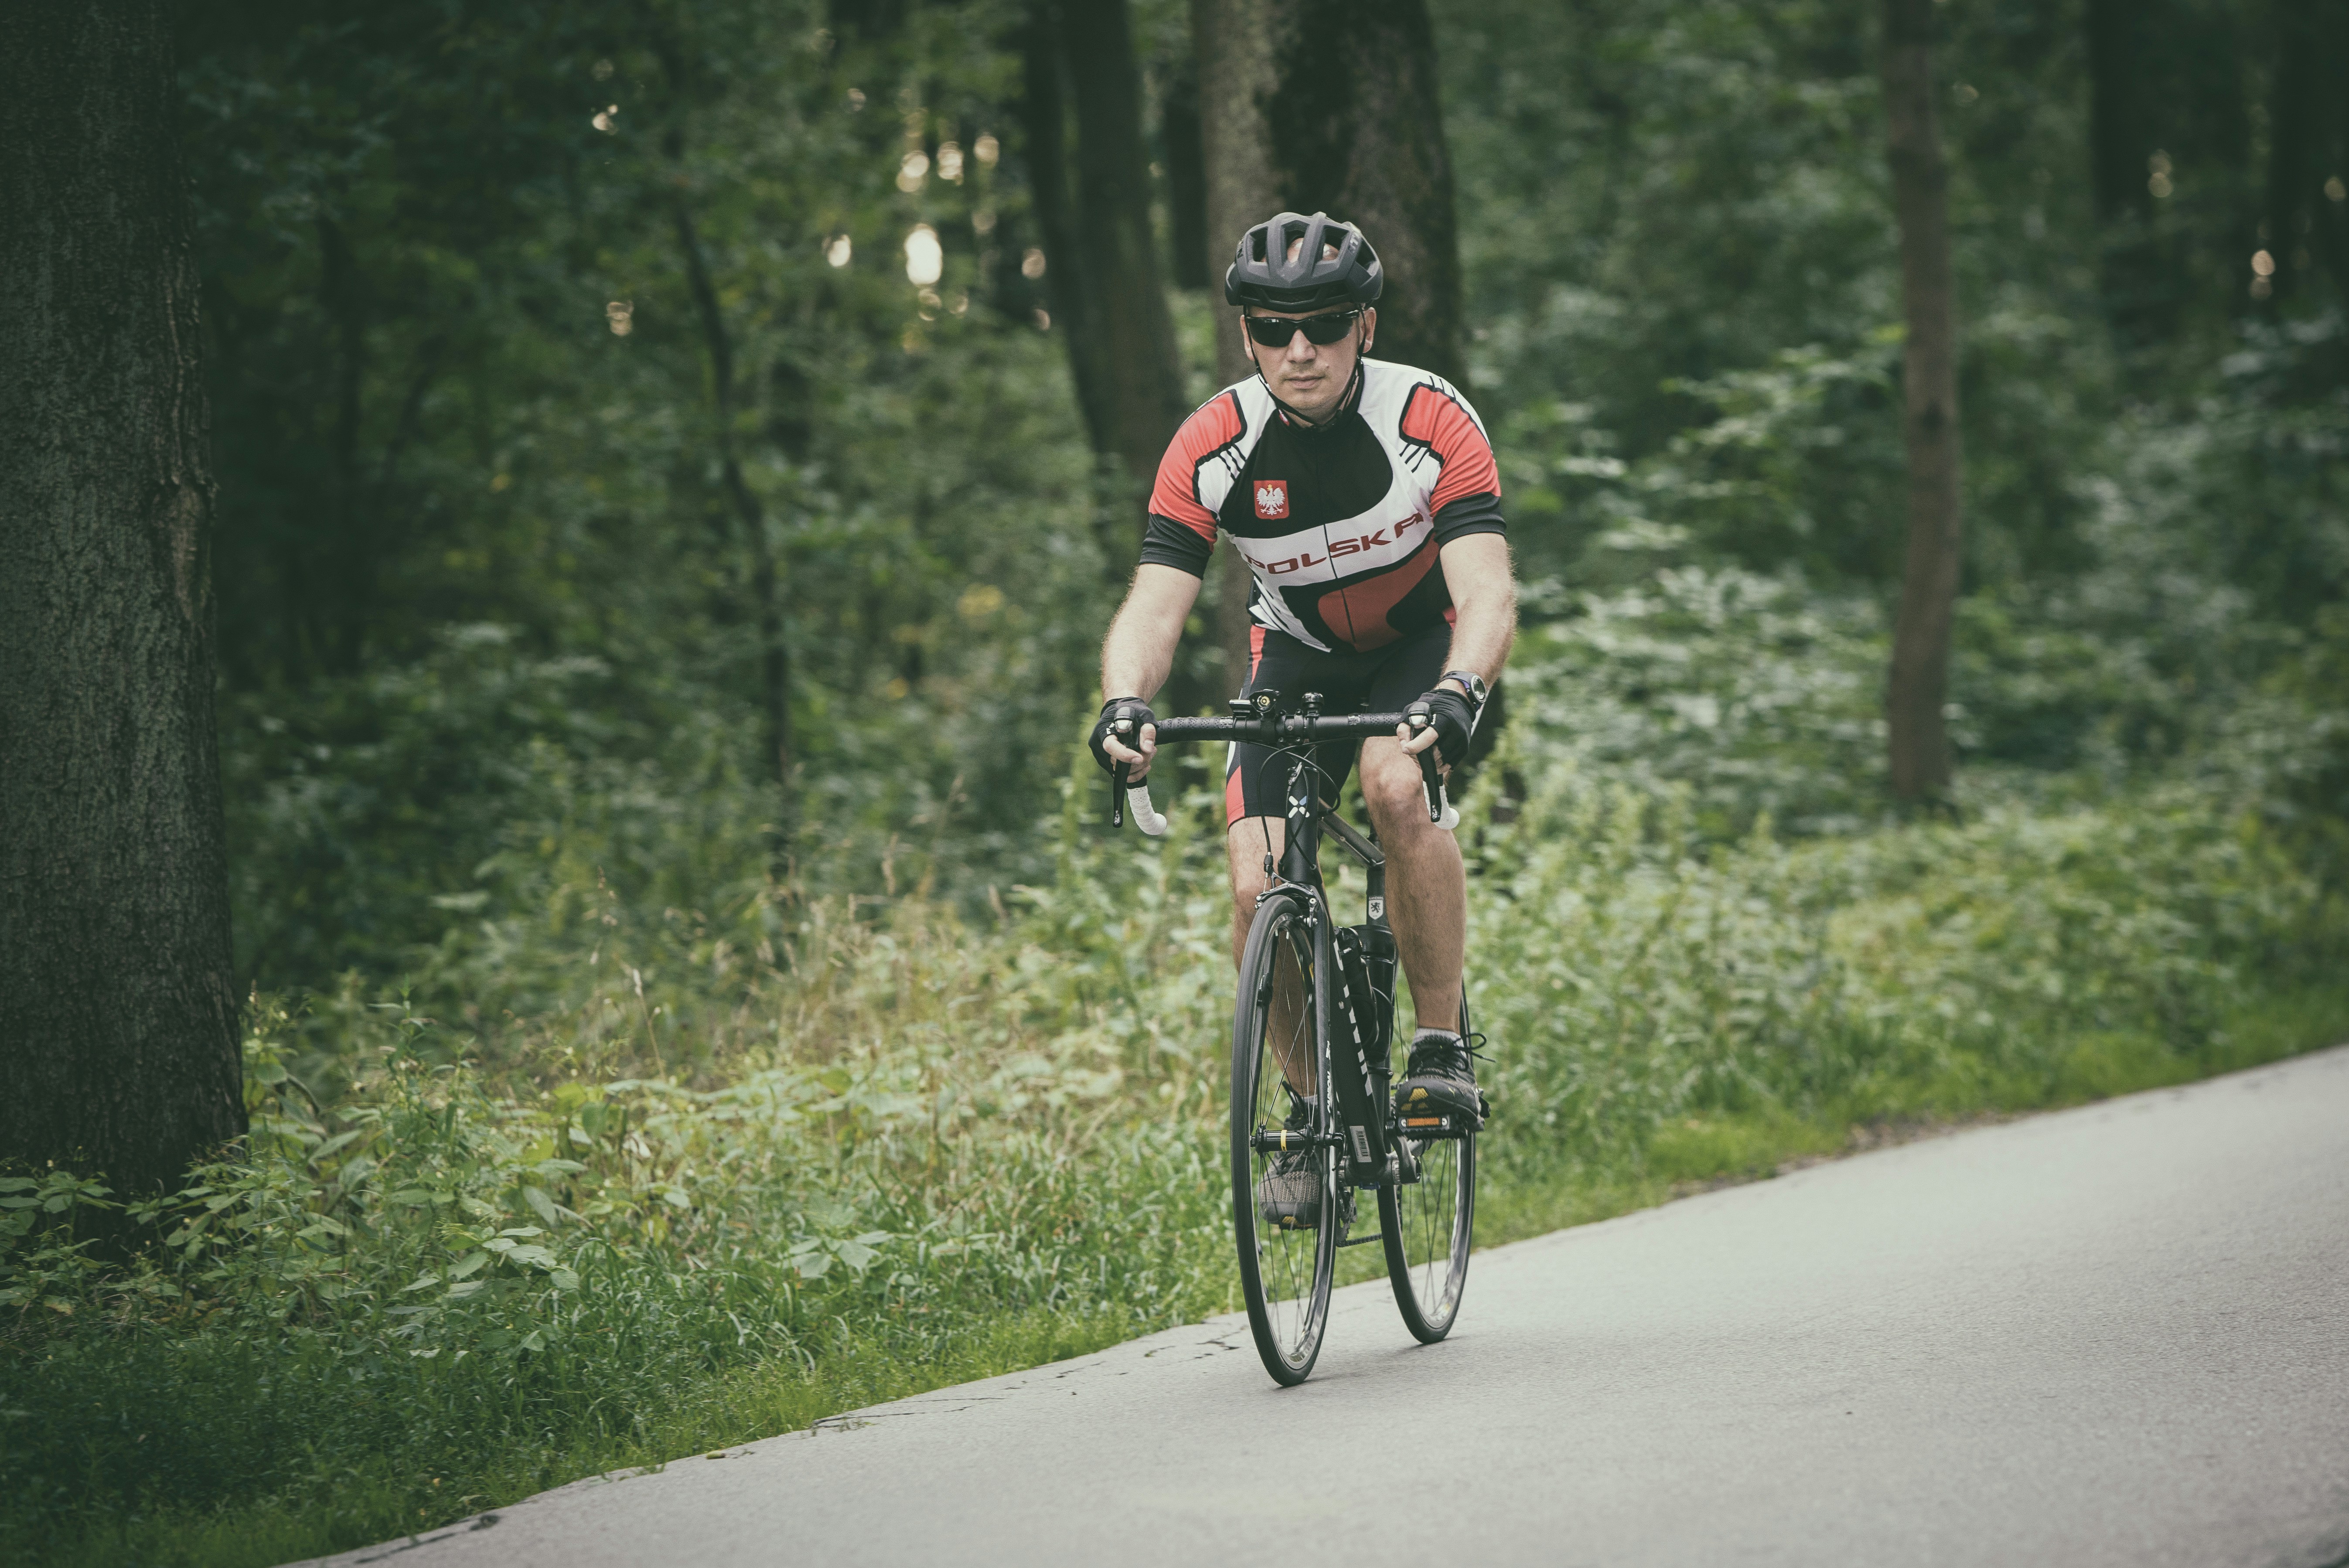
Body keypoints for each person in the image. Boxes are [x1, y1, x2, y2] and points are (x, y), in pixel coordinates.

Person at [1087, 211, 1517, 1213]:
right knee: (1253, 890)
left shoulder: (1428, 418)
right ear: (1246, 334)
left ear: (1364, 324)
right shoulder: (1212, 443)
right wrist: (1124, 702)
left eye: (1324, 323)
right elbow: (1154, 602)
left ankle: (1441, 1044)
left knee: (1391, 782)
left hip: (1419, 645)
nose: (1300, 348)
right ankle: (1312, 1119)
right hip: (1296, 657)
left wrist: (1460, 689)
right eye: (1274, 328)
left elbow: (1488, 590)